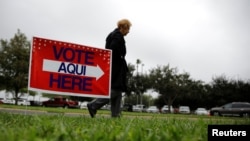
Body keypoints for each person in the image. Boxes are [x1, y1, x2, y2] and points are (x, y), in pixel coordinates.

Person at [87, 19, 132, 118]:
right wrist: (120, 58)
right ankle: (93, 105)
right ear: (122, 27)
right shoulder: (117, 36)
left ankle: (116, 115)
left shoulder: (112, 35)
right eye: (128, 29)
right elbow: (113, 48)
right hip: (116, 68)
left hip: (113, 66)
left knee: (118, 91)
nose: (128, 31)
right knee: (115, 90)